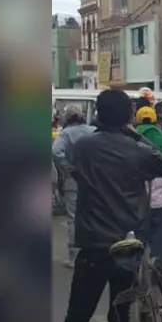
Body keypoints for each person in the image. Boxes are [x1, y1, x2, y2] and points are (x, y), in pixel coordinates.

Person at [55, 88, 162, 322]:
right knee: (119, 317)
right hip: (128, 243)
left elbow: (72, 169)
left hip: (93, 244)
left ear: (98, 113)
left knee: (77, 318)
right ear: (128, 116)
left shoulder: (84, 147)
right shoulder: (137, 150)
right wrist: (134, 134)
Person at [134, 106, 162, 269]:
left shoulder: (130, 137)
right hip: (160, 200)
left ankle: (136, 271)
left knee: (137, 239)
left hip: (136, 200)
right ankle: (160, 273)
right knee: (159, 238)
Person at [51, 105, 95, 267]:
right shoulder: (93, 130)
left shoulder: (66, 133)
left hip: (73, 182)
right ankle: (94, 254)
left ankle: (75, 257)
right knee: (93, 216)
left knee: (74, 219)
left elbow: (56, 152)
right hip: (95, 181)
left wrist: (67, 167)